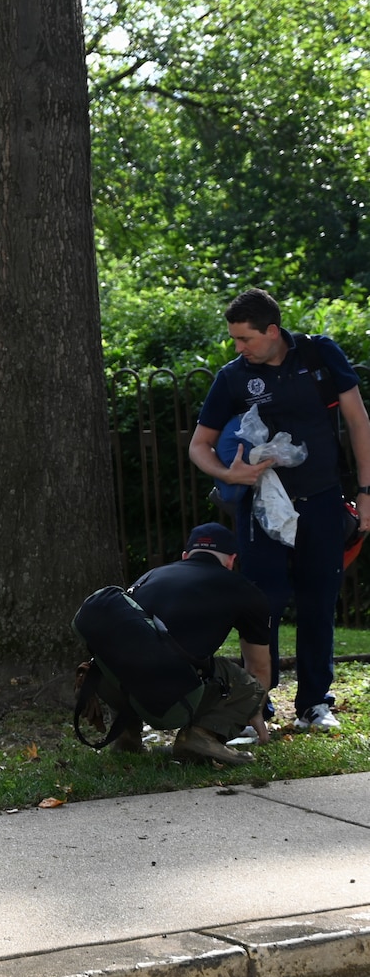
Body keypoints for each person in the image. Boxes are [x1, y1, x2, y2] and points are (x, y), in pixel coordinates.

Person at [188, 288, 370, 732]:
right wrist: (230, 477)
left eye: (244, 339)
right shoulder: (233, 377)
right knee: (261, 604)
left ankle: (313, 705)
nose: (238, 348)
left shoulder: (319, 354)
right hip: (261, 509)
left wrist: (366, 492)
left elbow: (358, 420)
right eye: (234, 340)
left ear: (272, 331)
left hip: (323, 499)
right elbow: (199, 444)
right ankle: (257, 708)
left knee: (318, 601)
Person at [97, 524, 273, 764]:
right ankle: (201, 735)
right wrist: (254, 712)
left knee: (132, 655)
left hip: (111, 683)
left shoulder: (150, 576)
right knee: (242, 680)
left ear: (185, 556)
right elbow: (259, 667)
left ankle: (126, 736)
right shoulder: (245, 591)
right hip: (171, 693)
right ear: (231, 560)